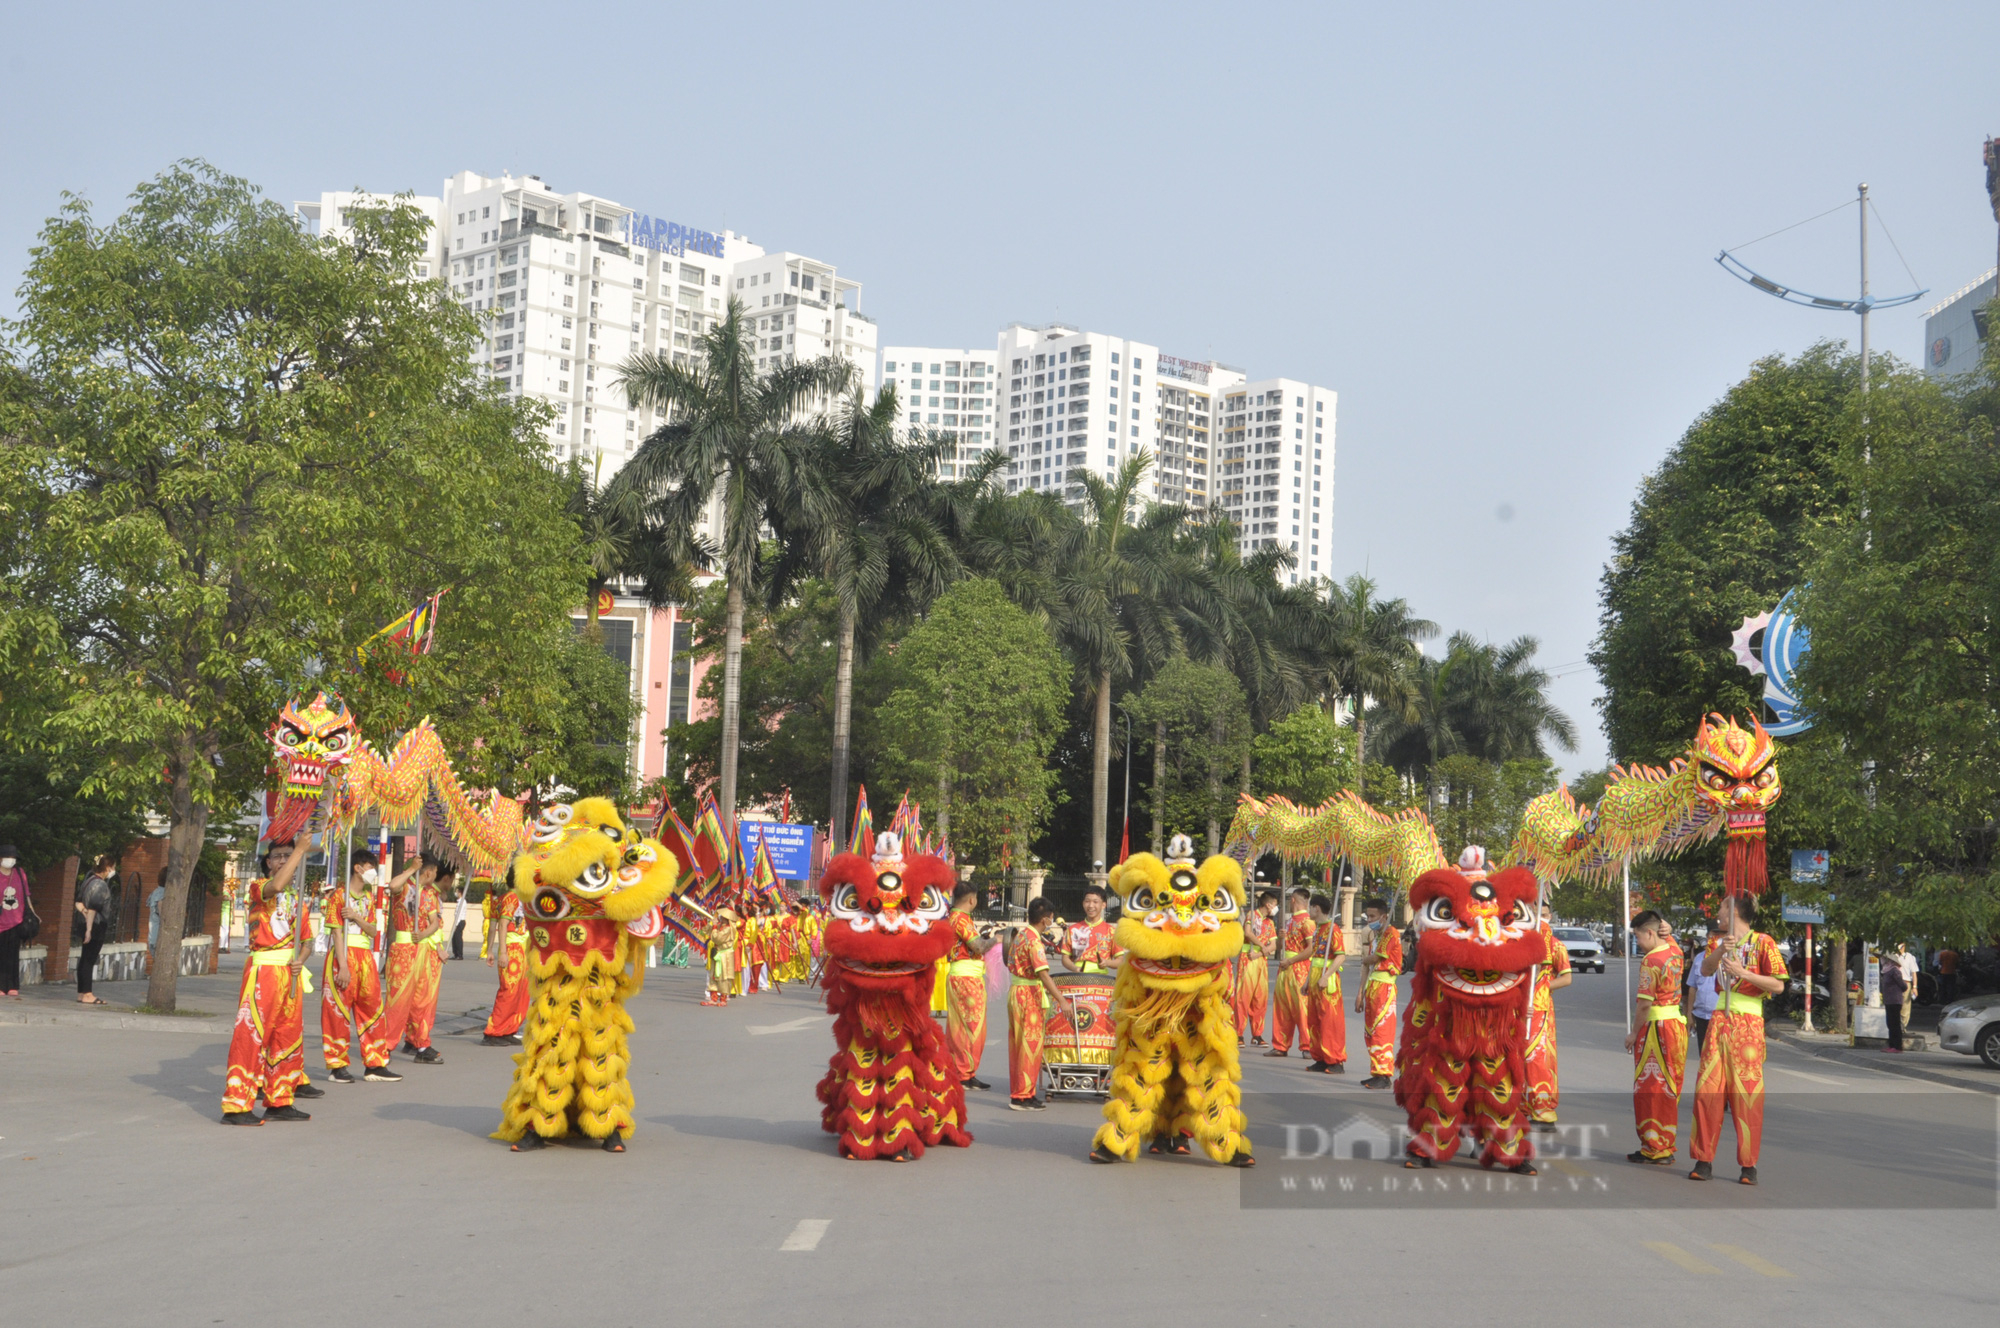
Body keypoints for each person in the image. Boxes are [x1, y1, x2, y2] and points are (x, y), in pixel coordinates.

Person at [220, 831, 322, 1125]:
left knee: (287, 1038)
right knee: (251, 1036)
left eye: (287, 856)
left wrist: (301, 960)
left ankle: (279, 1100)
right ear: (267, 863)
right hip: (263, 973)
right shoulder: (259, 887)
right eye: (278, 856)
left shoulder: (298, 900)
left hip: (289, 975)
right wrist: (300, 851)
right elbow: (277, 884)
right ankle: (236, 1105)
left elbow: (307, 940)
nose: (283, 861)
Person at [1689, 894, 1787, 1185]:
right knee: (1708, 1090)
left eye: (1721, 907)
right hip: (1719, 1020)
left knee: (1747, 1094)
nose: (1717, 913)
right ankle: (1703, 1159)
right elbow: (1705, 970)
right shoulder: (1718, 942)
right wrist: (1721, 951)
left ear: (1734, 911)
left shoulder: (1763, 943)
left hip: (1749, 1025)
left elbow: (1779, 984)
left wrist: (1745, 973)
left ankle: (1748, 1165)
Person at [320, 850, 402, 1083]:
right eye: (369, 866)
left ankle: (375, 1063)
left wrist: (356, 916)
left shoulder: (369, 898)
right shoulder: (338, 895)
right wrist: (342, 965)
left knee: (373, 1008)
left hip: (365, 956)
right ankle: (337, 1066)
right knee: (338, 1010)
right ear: (357, 868)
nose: (372, 871)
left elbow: (373, 930)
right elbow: (336, 932)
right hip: (343, 954)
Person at [1624, 910, 1687, 1164]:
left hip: (1655, 1029)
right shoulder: (1675, 951)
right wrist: (1668, 931)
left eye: (1638, 937)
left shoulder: (1651, 961)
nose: (1638, 943)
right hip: (1675, 1025)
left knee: (1650, 1089)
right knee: (1669, 1087)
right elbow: (1670, 937)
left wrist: (1633, 1033)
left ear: (1650, 933)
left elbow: (1644, 1005)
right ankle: (1665, 1143)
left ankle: (1654, 1146)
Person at [1007, 898, 1070, 1110]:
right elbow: (1043, 973)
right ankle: (1022, 1096)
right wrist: (1062, 1000)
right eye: (1051, 919)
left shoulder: (1021, 935)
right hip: (1029, 994)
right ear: (1045, 920)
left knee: (1018, 1044)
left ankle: (1023, 1091)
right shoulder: (1034, 941)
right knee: (1030, 1045)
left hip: (1017, 991)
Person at [385, 857, 449, 1064]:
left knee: (422, 1000)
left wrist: (423, 934)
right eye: (434, 872)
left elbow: (434, 923)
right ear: (429, 872)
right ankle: (384, 1045)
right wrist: (412, 869)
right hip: (403, 950)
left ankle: (422, 1045)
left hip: (422, 949)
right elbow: (392, 885)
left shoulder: (429, 894)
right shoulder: (405, 887)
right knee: (398, 1001)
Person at [1524, 901, 1573, 1129]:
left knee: (1537, 1057)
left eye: (1543, 915)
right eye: (1535, 915)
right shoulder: (1519, 941)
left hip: (1541, 1007)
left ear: (1550, 916)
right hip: (1518, 1006)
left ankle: (1543, 1110)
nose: (1540, 919)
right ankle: (1522, 1105)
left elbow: (1566, 978)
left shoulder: (1556, 946)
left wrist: (1542, 987)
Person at [944, 882, 998, 1090]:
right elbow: (978, 946)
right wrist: (996, 939)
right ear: (972, 900)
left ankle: (963, 1071)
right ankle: (964, 1072)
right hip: (966, 977)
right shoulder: (961, 919)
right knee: (972, 1027)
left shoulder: (955, 917)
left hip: (962, 975)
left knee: (961, 1027)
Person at [1355, 897, 1401, 1089]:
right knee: (1371, 1032)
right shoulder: (1375, 937)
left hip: (1384, 987)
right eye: (1367, 916)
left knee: (1382, 1031)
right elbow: (1366, 965)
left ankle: (1384, 1074)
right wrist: (1360, 993)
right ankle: (1376, 1071)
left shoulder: (1391, 933)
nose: (1369, 919)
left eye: (1372, 916)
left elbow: (1374, 959)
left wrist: (1366, 959)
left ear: (1384, 916)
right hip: (1372, 987)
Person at [481, 868, 529, 1045]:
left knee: (521, 991)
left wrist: (490, 950)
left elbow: (492, 927)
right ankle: (494, 1031)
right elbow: (502, 925)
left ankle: (509, 1028)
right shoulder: (512, 898)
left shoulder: (500, 899)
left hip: (520, 948)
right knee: (509, 990)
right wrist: (502, 951)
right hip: (513, 948)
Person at [1266, 892, 1316, 1058]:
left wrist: (1292, 960)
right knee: (1281, 1008)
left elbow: (1310, 949)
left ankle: (1307, 1045)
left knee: (1301, 1008)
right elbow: (1282, 946)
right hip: (1284, 968)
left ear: (1293, 900)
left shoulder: (1307, 922)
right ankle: (1280, 1045)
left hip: (1299, 969)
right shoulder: (1288, 922)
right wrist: (1281, 939)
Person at [1303, 894, 1346, 1073]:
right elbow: (1314, 958)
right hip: (1314, 977)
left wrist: (1326, 976)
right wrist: (1307, 981)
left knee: (1330, 1020)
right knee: (1313, 1019)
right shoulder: (1318, 929)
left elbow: (1341, 955)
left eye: (1310, 907)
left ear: (1317, 908)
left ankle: (1335, 1060)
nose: (1308, 911)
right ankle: (1320, 1057)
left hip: (1326, 980)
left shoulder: (1332, 929)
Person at [1235, 889, 1277, 1046]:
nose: (1275, 908)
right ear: (1268, 904)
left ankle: (1257, 1034)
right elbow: (1248, 933)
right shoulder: (1252, 916)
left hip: (1260, 961)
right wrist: (1261, 945)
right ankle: (1238, 1033)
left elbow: (1273, 944)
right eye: (1274, 905)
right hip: (1247, 959)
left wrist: (1261, 953)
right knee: (1243, 997)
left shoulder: (1269, 922)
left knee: (1260, 998)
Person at [74, 855, 116, 1005]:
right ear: (107, 868)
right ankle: (87, 993)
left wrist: (84, 913)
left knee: (85, 958)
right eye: (113, 867)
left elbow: (78, 903)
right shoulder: (100, 885)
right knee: (89, 960)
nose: (113, 871)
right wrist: (89, 929)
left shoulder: (88, 881)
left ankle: (81, 992)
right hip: (95, 926)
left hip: (84, 923)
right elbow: (93, 909)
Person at [1062, 884, 1121, 973]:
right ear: (1083, 903)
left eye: (1095, 902)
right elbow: (1065, 958)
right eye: (1087, 901)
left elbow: (1120, 960)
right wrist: (1076, 969)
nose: (1090, 905)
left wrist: (1107, 963)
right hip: (1078, 978)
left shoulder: (1112, 931)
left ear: (1103, 905)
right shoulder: (1073, 930)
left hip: (1100, 981)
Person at [0, 847, 28, 999]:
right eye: (8, 857)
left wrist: (32, 912)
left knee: (13, 954)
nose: (11, 860)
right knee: (1, 954)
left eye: (13, 857)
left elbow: (26, 894)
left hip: (16, 920)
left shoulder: (19, 873)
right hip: (1, 921)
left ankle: (12, 985)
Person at [1879, 949, 1907, 1053]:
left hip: (1895, 1000)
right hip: (1888, 1000)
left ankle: (1897, 1046)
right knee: (1890, 1023)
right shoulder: (1886, 971)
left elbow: (1903, 986)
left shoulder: (1894, 971)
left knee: (1895, 1024)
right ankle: (1891, 1045)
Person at [146, 877, 165, 966]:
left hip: (152, 935)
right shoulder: (163, 893)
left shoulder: (155, 892)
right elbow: (160, 905)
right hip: (159, 935)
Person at [449, 878, 469, 960]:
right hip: (458, 921)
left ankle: (459, 955)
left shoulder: (462, 902)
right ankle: (456, 953)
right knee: (454, 938)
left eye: (457, 892)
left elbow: (460, 914)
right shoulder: (459, 901)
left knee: (458, 938)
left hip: (460, 921)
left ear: (460, 893)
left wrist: (456, 924)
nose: (456, 893)